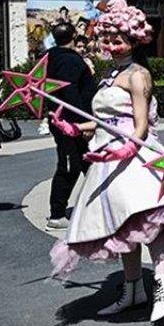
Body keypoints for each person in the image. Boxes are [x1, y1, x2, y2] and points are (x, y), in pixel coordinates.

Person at [49, 0, 164, 323]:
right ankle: (133, 291)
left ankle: (163, 283)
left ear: (133, 39)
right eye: (107, 39)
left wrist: (126, 148)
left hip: (135, 157)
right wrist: (72, 127)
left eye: (118, 39)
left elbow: (138, 125)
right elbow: (103, 123)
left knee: (149, 221)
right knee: (123, 228)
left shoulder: (139, 75)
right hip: (106, 157)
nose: (111, 45)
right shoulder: (108, 76)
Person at [41, 21, 98, 230]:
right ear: (74, 36)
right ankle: (57, 215)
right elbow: (70, 93)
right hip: (69, 122)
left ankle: (102, 202)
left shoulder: (51, 58)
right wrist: (84, 123)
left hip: (64, 119)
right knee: (69, 165)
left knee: (89, 163)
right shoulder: (68, 60)